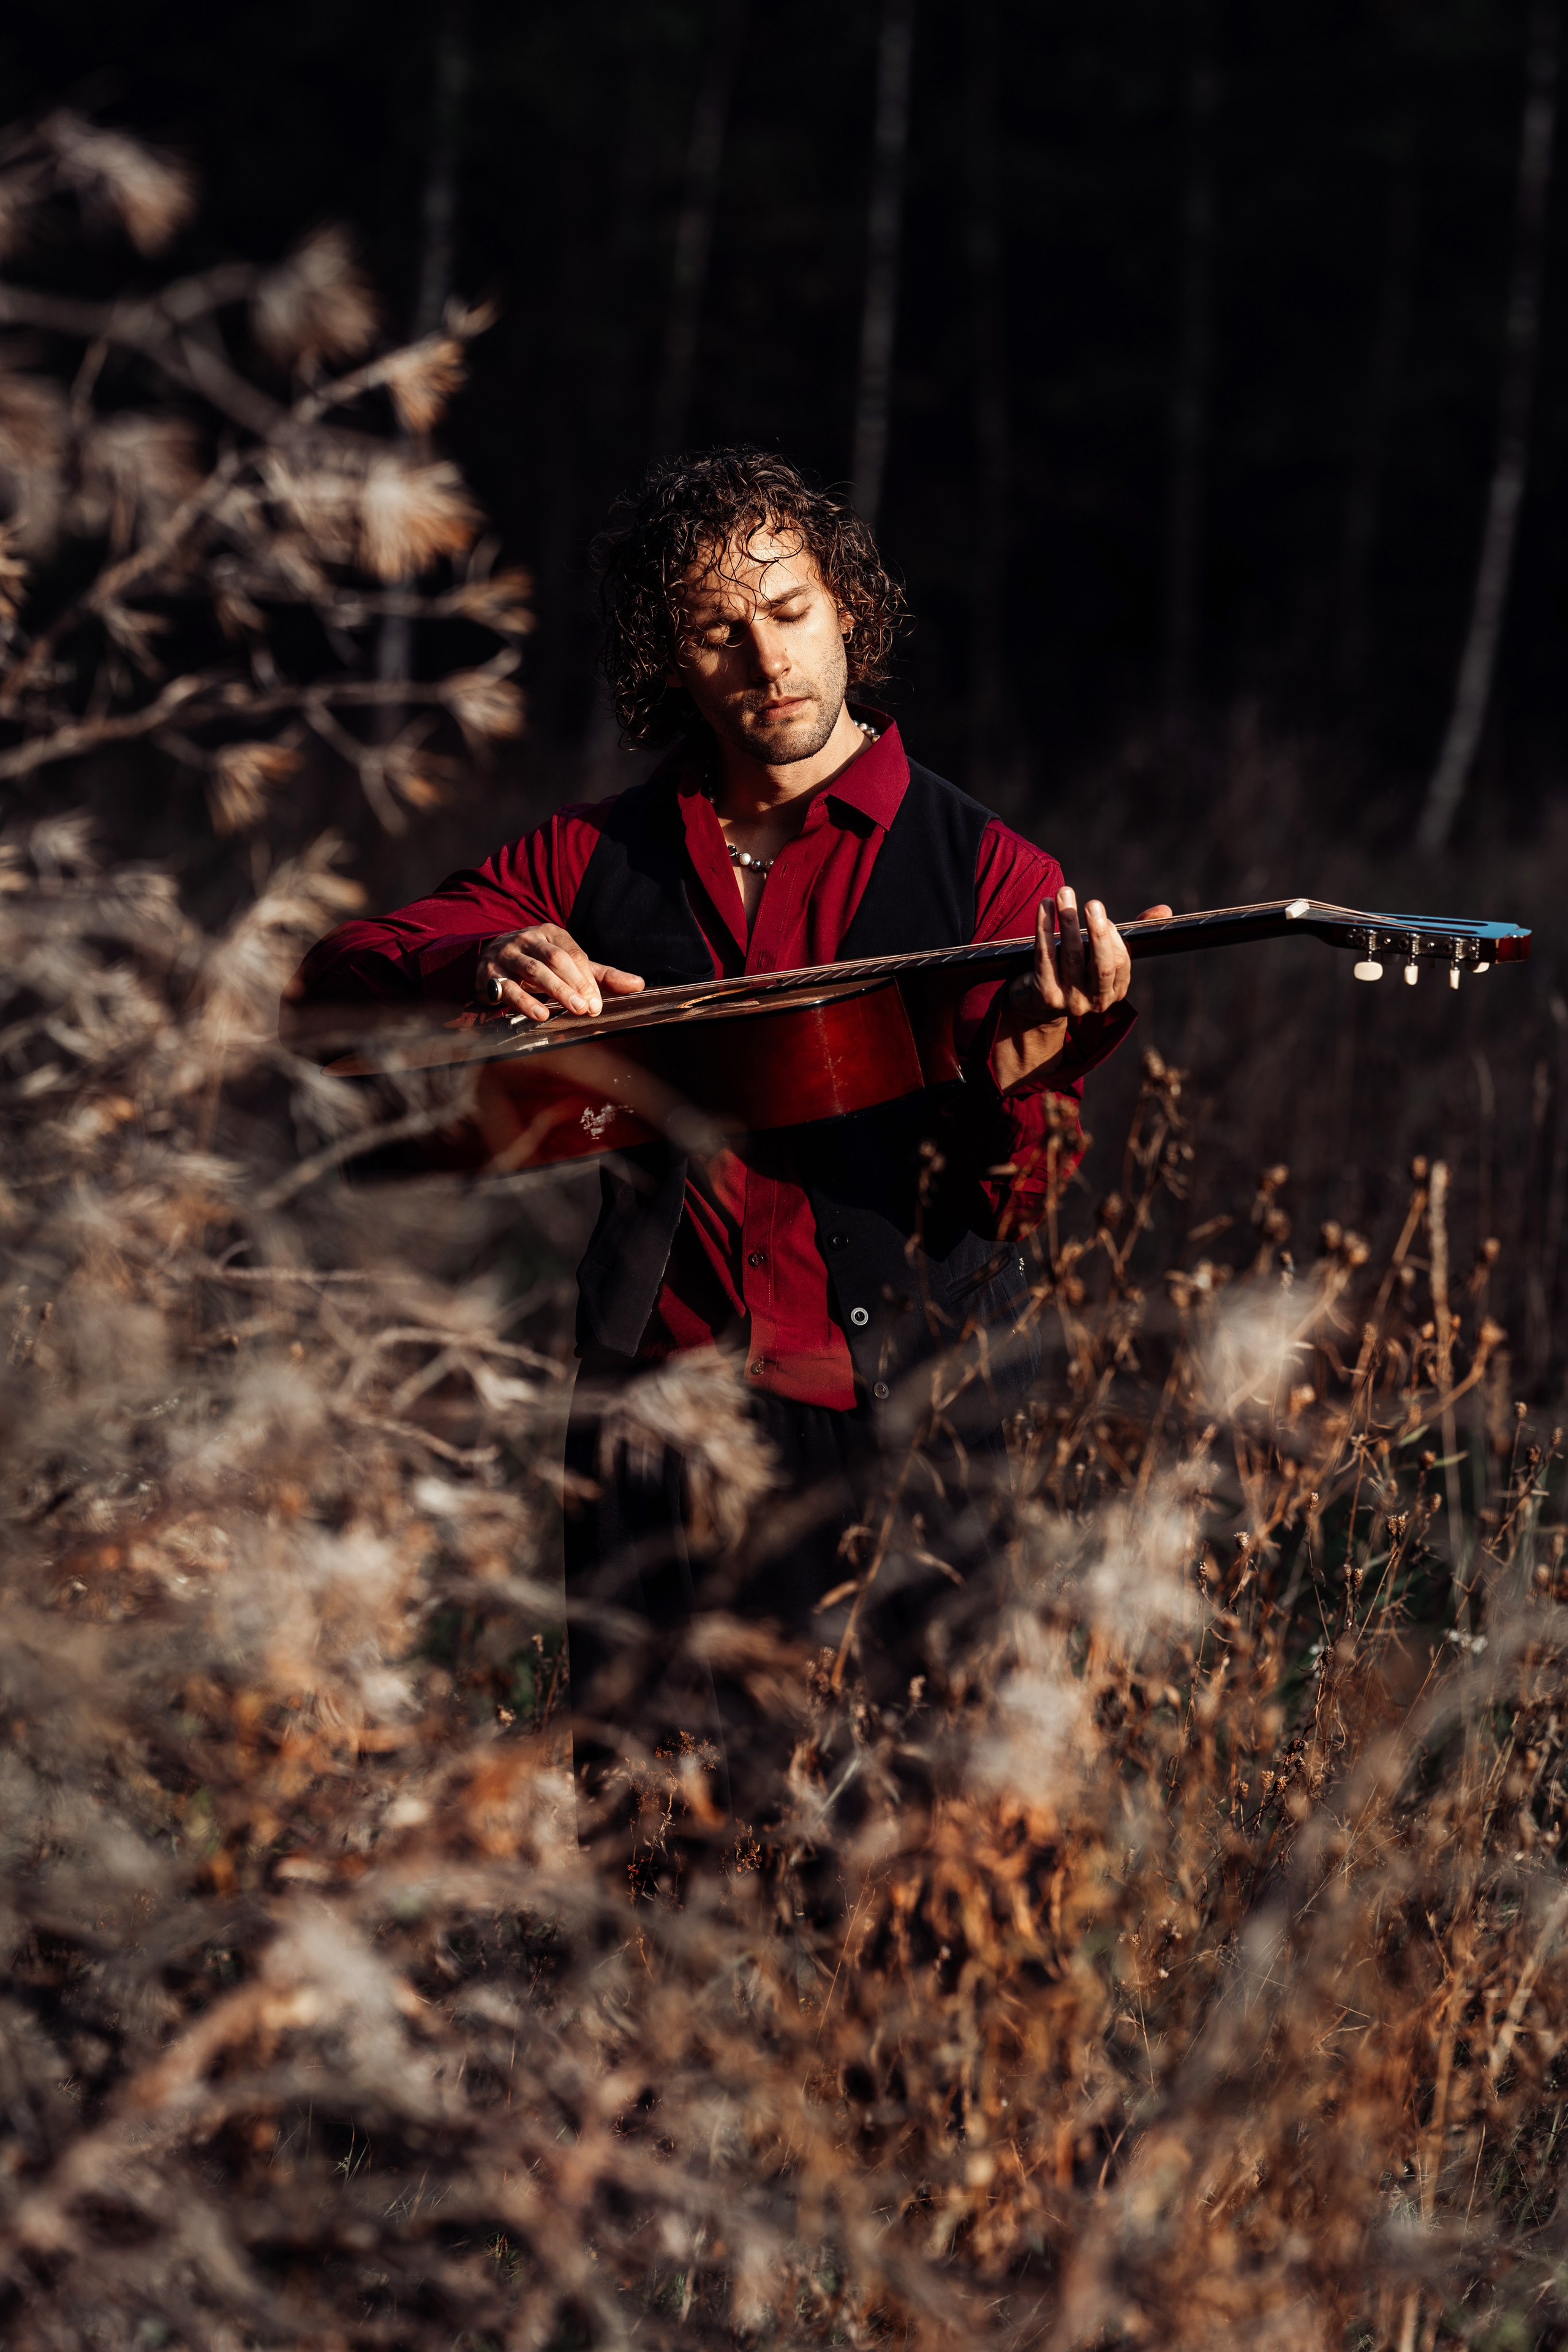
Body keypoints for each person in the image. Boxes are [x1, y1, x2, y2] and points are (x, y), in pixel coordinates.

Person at [287, 447, 1169, 1826]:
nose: (765, 658)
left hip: (899, 1429)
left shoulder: (989, 873)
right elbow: (340, 969)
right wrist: (486, 956)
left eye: (790, 610)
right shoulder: (597, 858)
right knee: (648, 1850)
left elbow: (1018, 1193)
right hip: (655, 1418)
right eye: (717, 629)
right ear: (670, 658)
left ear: (845, 612)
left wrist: (1040, 1059)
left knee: (893, 1863)